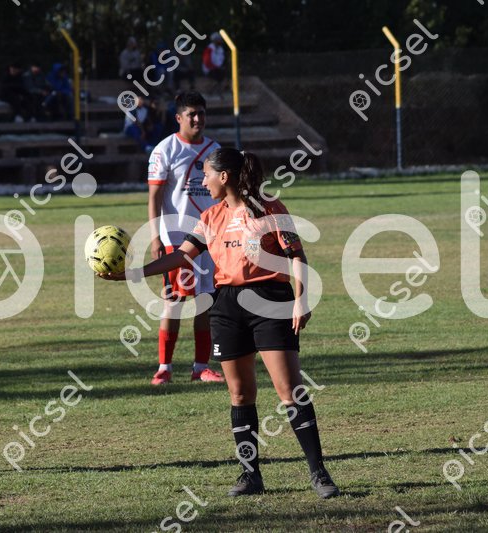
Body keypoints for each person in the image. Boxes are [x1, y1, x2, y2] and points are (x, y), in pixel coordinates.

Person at [98, 148, 340, 499]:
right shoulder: (211, 216)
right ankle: (250, 476)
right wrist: (131, 274)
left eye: (207, 174)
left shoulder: (269, 208)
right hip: (227, 305)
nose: (203, 181)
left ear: (224, 177)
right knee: (240, 394)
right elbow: (181, 256)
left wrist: (301, 300)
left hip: (271, 300)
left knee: (289, 390)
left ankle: (319, 473)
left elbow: (296, 256)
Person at [145, 91, 224, 385]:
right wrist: (156, 237)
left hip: (209, 238)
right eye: (191, 114)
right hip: (176, 238)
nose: (197, 119)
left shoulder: (215, 150)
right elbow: (154, 197)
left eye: (201, 113)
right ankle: (164, 368)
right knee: (174, 301)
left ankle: (200, 367)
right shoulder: (165, 150)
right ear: (179, 118)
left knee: (205, 302)